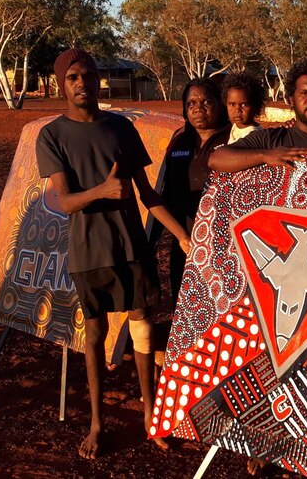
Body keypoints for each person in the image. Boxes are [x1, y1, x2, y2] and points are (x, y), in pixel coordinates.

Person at [36, 48, 191, 459]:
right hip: (89, 252)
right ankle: (97, 422)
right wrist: (102, 191)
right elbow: (62, 201)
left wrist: (182, 236)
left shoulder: (121, 128)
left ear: (97, 78)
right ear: (60, 85)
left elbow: (149, 194)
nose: (82, 82)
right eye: (72, 77)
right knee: (96, 335)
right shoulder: (52, 135)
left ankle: (149, 414)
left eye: (87, 74)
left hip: (131, 247)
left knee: (142, 325)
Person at [209, 58, 307, 173]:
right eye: (304, 93)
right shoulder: (270, 139)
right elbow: (217, 158)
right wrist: (266, 156)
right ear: (291, 100)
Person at [160, 77, 230, 302]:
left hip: (223, 241)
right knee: (182, 304)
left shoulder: (236, 139)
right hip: (185, 241)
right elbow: (166, 192)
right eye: (191, 103)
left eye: (206, 102)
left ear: (220, 105)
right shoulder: (179, 142)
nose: (198, 108)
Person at [223, 72, 265, 144]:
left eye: (244, 105)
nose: (237, 110)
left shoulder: (255, 135)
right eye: (232, 104)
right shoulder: (235, 126)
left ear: (256, 106)